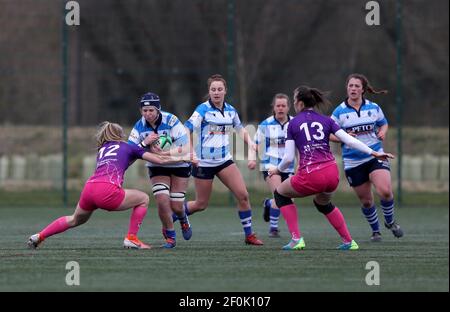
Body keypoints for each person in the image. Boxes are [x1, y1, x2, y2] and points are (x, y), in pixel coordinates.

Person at [27, 121, 191, 250]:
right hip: (107, 190)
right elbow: (159, 160)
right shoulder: (128, 146)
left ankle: (39, 236)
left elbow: (125, 160)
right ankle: (131, 238)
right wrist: (185, 158)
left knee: (75, 219)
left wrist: (141, 146)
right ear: (119, 134)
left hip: (90, 189)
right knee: (143, 198)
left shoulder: (103, 149)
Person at [268, 86, 394, 250]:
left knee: (280, 194)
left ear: (299, 103)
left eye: (294, 100)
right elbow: (349, 141)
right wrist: (373, 152)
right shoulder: (327, 120)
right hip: (332, 173)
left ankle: (296, 239)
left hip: (311, 174)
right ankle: (349, 241)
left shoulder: (292, 124)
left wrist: (277, 171)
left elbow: (288, 158)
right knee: (322, 203)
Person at [178, 74, 263, 245]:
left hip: (224, 161)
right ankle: (176, 215)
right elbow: (186, 129)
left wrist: (251, 142)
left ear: (225, 91)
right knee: (201, 204)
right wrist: (190, 152)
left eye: (219, 89)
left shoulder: (231, 110)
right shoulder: (202, 109)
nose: (216, 92)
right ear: (209, 92)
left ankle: (249, 235)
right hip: (203, 162)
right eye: (213, 89)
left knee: (243, 196)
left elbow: (240, 130)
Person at [330, 73, 403, 242]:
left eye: (356, 86)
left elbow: (383, 123)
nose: (353, 89)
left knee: (385, 191)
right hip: (353, 161)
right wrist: (344, 136)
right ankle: (376, 231)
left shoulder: (374, 107)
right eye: (350, 86)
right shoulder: (339, 112)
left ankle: (390, 221)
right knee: (367, 201)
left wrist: (383, 132)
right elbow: (329, 134)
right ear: (347, 88)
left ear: (363, 89)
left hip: (375, 155)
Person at [128, 92, 193, 248]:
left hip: (179, 164)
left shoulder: (171, 121)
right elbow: (129, 150)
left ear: (158, 110)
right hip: (157, 166)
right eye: (145, 111)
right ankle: (170, 236)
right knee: (162, 201)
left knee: (177, 206)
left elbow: (186, 148)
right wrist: (144, 143)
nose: (148, 114)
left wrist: (166, 153)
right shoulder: (139, 126)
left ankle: (183, 218)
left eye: (151, 110)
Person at [247, 93, 295, 237]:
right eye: (278, 106)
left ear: (288, 107)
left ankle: (268, 203)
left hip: (289, 166)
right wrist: (252, 159)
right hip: (270, 165)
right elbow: (254, 145)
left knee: (290, 199)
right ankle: (273, 228)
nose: (280, 108)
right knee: (279, 194)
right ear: (273, 107)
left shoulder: (294, 123)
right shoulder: (265, 125)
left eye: (283, 106)